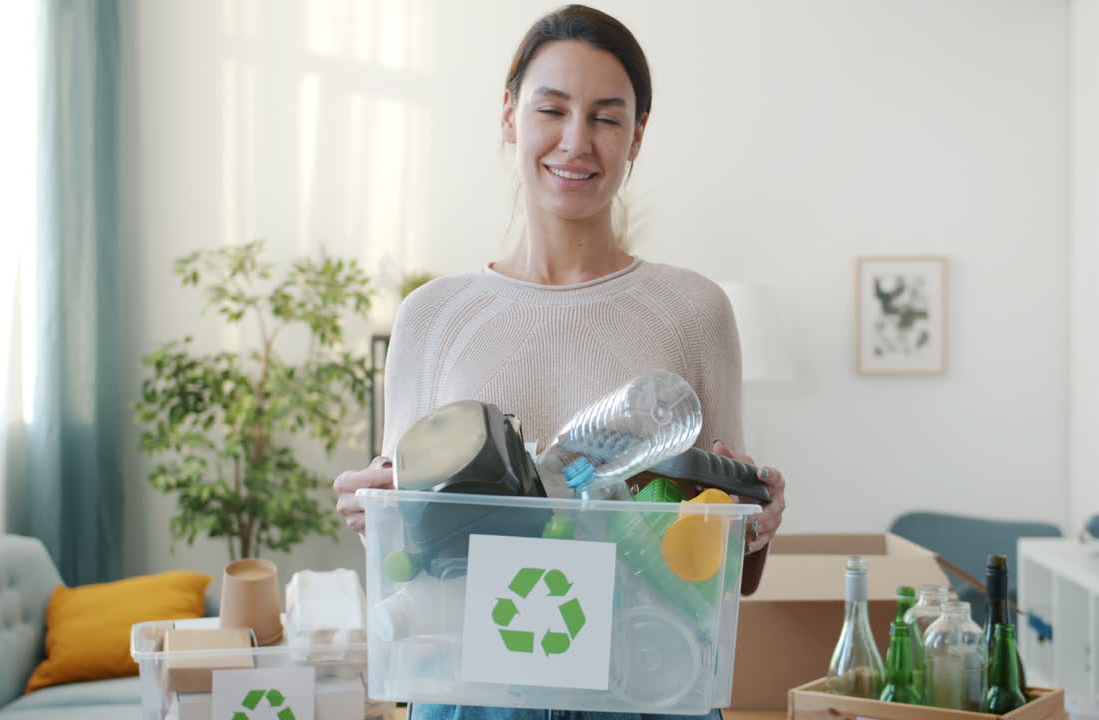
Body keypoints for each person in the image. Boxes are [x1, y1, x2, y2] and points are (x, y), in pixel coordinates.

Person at [333, 5, 786, 720]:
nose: (576, 142)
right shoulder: (433, 317)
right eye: (551, 110)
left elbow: (725, 574)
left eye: (606, 118)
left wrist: (756, 524)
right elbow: (413, 561)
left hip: (647, 686)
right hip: (473, 696)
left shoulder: (694, 310)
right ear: (509, 115)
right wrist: (372, 509)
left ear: (637, 135)